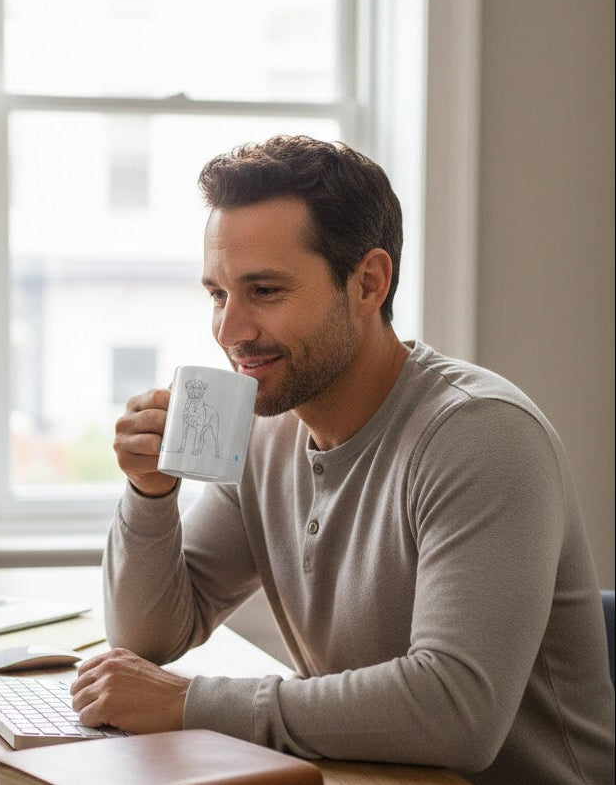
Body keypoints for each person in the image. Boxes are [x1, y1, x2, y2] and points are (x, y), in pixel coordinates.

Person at [69, 136, 615, 784]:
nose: (229, 330)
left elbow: (456, 712)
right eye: (218, 294)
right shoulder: (267, 432)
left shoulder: (481, 434)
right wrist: (150, 495)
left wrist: (190, 704)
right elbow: (151, 638)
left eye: (264, 290)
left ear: (368, 283)